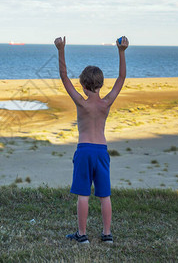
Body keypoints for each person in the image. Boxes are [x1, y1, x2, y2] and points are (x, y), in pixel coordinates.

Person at [54, 36, 128, 244]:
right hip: (101, 151)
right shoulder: (106, 103)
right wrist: (121, 52)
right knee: (105, 195)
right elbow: (121, 78)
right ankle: (107, 235)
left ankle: (82, 235)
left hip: (85, 150)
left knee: (83, 194)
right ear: (101, 85)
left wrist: (61, 49)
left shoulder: (81, 103)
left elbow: (63, 76)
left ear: (84, 86)